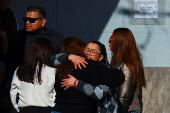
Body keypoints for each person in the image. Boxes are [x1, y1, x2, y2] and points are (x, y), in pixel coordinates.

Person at [52, 37, 125, 113]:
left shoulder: (101, 69)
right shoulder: (75, 64)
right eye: (87, 50)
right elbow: (52, 60)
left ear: (101, 57)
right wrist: (69, 56)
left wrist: (76, 83)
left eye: (93, 52)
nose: (89, 53)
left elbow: (99, 93)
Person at [12, 6, 65, 72]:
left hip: (49, 78)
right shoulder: (17, 36)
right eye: (25, 19)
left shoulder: (56, 37)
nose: (27, 22)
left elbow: (63, 59)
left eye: (32, 20)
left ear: (43, 21)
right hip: (22, 78)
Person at [10, 38, 56, 113]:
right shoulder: (53, 71)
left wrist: (18, 109)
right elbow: (55, 93)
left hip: (25, 109)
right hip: (47, 110)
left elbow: (13, 92)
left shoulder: (20, 70)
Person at [108, 28, 146, 113]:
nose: (108, 41)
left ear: (119, 42)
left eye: (111, 39)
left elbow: (124, 97)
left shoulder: (126, 65)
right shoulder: (118, 62)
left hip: (128, 110)